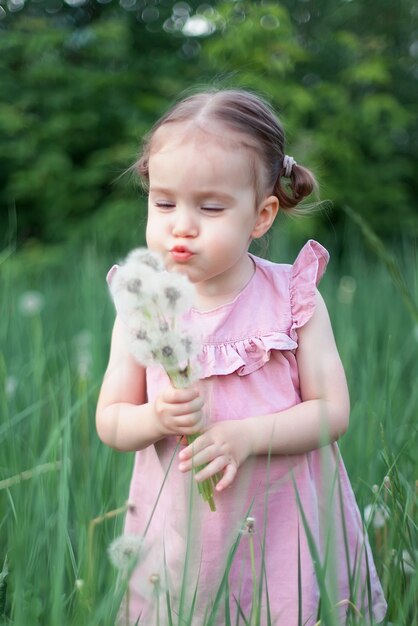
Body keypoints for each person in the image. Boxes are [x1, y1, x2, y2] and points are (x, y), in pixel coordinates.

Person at [96, 88, 387, 625]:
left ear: (261, 215)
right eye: (163, 202)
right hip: (183, 538)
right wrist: (155, 417)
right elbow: (111, 422)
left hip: (288, 528)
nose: (182, 225)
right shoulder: (143, 307)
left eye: (210, 207)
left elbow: (332, 412)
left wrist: (246, 436)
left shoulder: (292, 297)